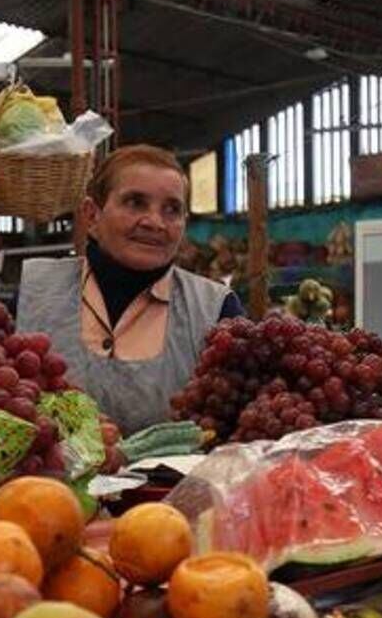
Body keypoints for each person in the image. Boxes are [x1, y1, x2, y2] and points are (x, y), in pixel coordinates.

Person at [16, 144, 242, 434]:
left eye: (172, 209)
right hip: (41, 481)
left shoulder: (216, 309)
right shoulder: (34, 291)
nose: (154, 222)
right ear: (91, 215)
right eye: (135, 202)